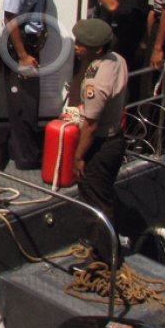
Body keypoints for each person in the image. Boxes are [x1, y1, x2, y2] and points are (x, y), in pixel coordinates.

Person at [66, 18, 128, 267]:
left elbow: (90, 126)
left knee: (96, 202)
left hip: (100, 146)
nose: (76, 47)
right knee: (103, 196)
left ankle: (103, 259)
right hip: (116, 138)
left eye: (82, 44)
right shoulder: (117, 61)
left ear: (98, 49)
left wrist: (79, 157)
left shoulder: (94, 82)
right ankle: (105, 249)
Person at [1, 0, 65, 171]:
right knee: (23, 104)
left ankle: (25, 150)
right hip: (18, 45)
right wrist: (22, 55)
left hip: (31, 42)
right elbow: (11, 19)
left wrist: (44, 30)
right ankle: (25, 158)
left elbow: (39, 5)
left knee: (31, 101)